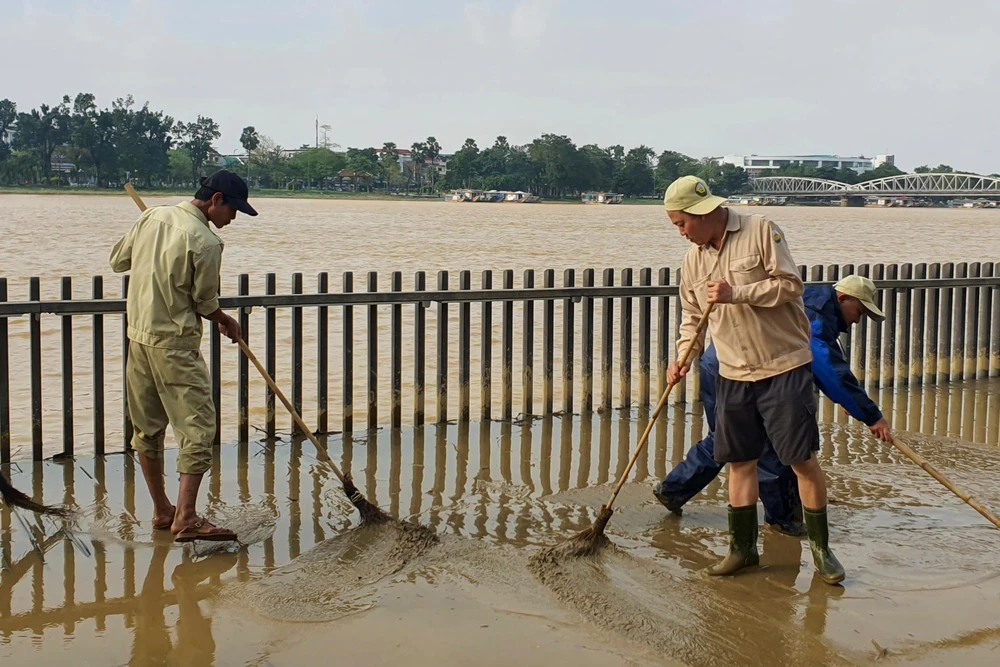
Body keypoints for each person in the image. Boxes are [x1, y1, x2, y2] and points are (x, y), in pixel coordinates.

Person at [663, 174, 843, 585]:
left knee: (801, 460)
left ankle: (822, 551)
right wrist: (683, 358)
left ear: (703, 213)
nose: (681, 233)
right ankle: (742, 550)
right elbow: (693, 320)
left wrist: (736, 294)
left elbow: (790, 286)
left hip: (783, 366)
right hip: (732, 372)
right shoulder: (693, 262)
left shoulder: (760, 229)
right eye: (675, 225)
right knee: (739, 463)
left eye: (682, 224)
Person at [654, 275, 892, 537]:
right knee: (768, 447)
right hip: (738, 370)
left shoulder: (811, 301)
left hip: (719, 364)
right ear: (843, 298)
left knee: (728, 440)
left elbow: (817, 361)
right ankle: (783, 521)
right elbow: (825, 366)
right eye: (858, 311)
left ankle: (673, 489)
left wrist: (849, 401)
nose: (857, 320)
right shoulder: (816, 314)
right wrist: (870, 415)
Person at [110, 171, 256, 542]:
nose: (233, 219)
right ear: (216, 199)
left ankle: (162, 510)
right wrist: (224, 319)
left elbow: (118, 261)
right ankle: (186, 518)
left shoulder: (152, 217)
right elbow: (204, 302)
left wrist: (155, 249)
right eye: (233, 210)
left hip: (139, 339)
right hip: (173, 346)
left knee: (147, 428)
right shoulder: (207, 242)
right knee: (199, 429)